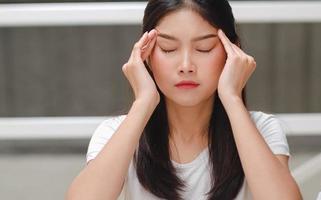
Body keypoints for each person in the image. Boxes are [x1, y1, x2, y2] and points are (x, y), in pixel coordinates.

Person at [66, 0, 302, 199]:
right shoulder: (116, 132)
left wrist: (232, 97)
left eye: (205, 48)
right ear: (145, 54)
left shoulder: (261, 129)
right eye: (168, 49)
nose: (186, 66)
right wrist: (143, 103)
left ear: (233, 53)